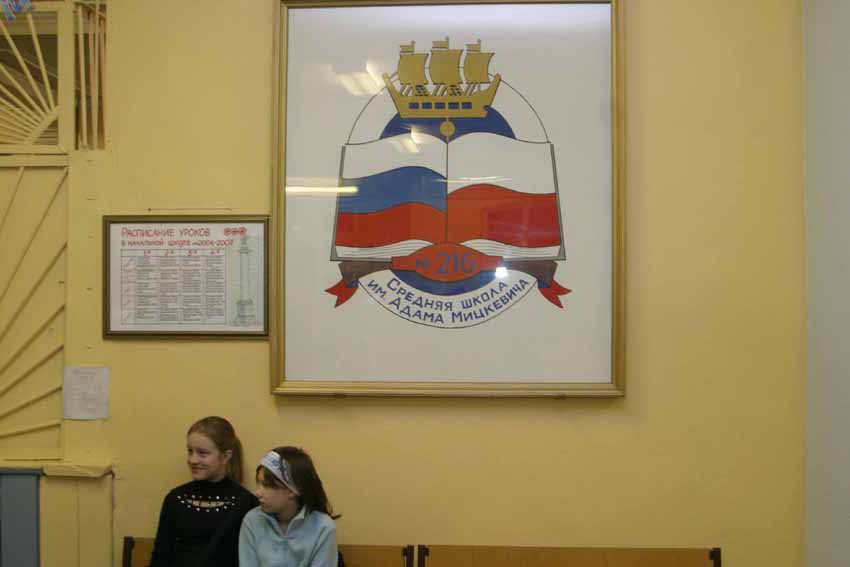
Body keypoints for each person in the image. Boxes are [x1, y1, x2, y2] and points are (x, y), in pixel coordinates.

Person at [150, 416, 258, 567]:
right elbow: (160, 557)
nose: (193, 460)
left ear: (226, 456)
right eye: (190, 451)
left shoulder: (246, 503)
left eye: (202, 453)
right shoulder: (175, 498)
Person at [239, 446, 339, 567]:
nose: (257, 493)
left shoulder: (323, 527)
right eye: (258, 483)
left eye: (266, 485)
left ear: (292, 490)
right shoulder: (252, 520)